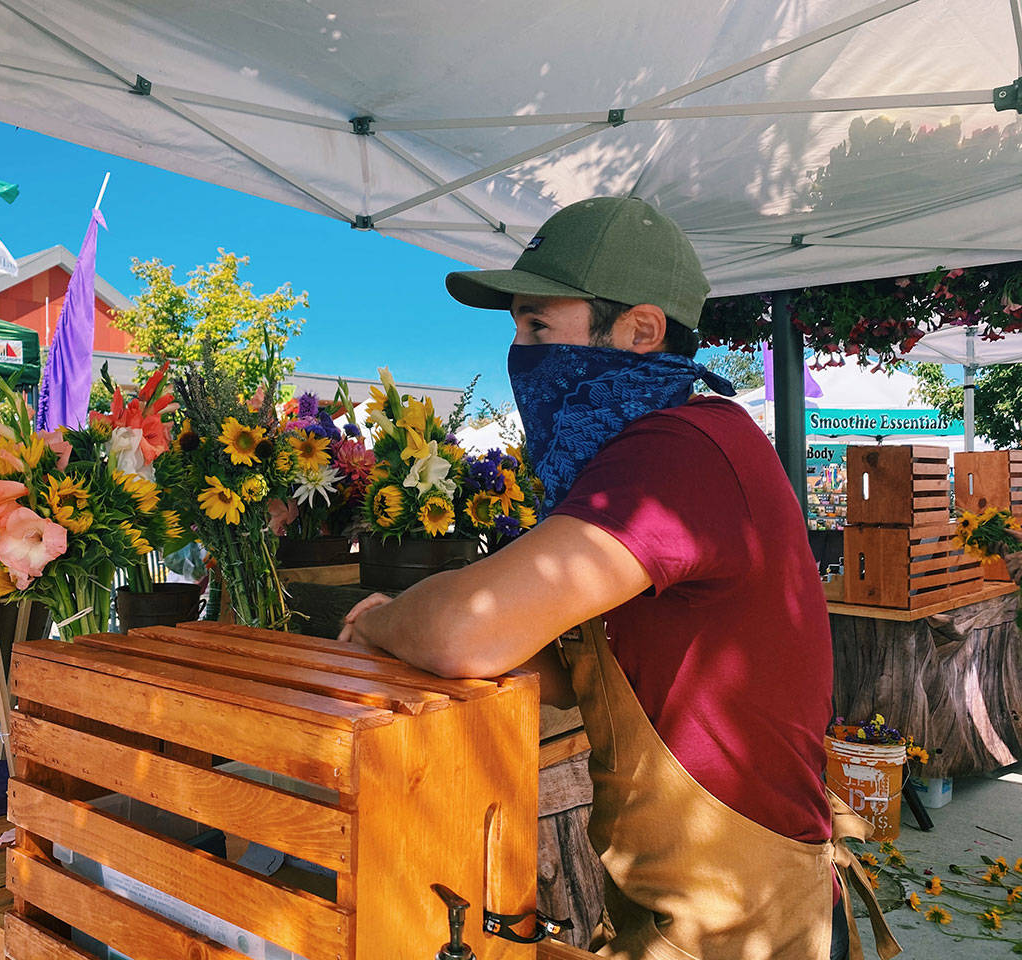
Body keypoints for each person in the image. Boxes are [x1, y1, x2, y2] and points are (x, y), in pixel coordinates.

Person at [339, 197, 898, 960]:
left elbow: (468, 630)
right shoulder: (634, 455)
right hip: (678, 910)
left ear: (639, 331)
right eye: (516, 330)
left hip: (746, 926)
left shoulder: (680, 451)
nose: (520, 352)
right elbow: (576, 675)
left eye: (539, 326)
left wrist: (381, 617)